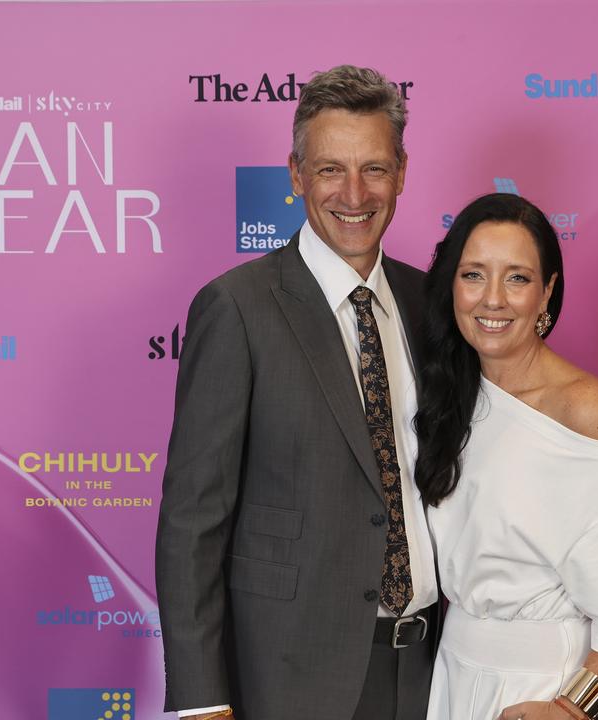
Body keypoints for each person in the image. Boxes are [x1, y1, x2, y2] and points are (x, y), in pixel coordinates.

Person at [156, 65, 439, 720]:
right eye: (330, 169)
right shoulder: (238, 308)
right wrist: (202, 702)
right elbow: (192, 519)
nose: (353, 192)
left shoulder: (431, 302)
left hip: (434, 669)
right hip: (292, 679)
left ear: (400, 172)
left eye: (373, 168)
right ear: (295, 176)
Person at [414, 193, 598, 720]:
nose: (492, 299)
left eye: (516, 278)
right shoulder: (451, 399)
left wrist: (571, 709)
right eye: (473, 275)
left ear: (547, 293)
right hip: (454, 674)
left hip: (547, 687)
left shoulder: (586, 410)